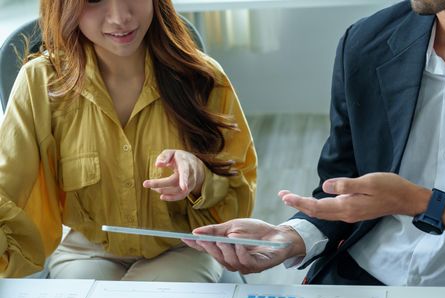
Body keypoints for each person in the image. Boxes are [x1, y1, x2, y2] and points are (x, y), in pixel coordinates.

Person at [183, 0, 445, 288]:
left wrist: (424, 204)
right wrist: (294, 236)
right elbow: (340, 182)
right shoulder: (365, 43)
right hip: (357, 279)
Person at [0, 0, 256, 281]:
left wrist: (201, 179)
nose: (120, 17)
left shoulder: (204, 78)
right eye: (94, 0)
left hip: (184, 246)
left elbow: (238, 192)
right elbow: (7, 187)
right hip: (87, 248)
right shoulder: (40, 82)